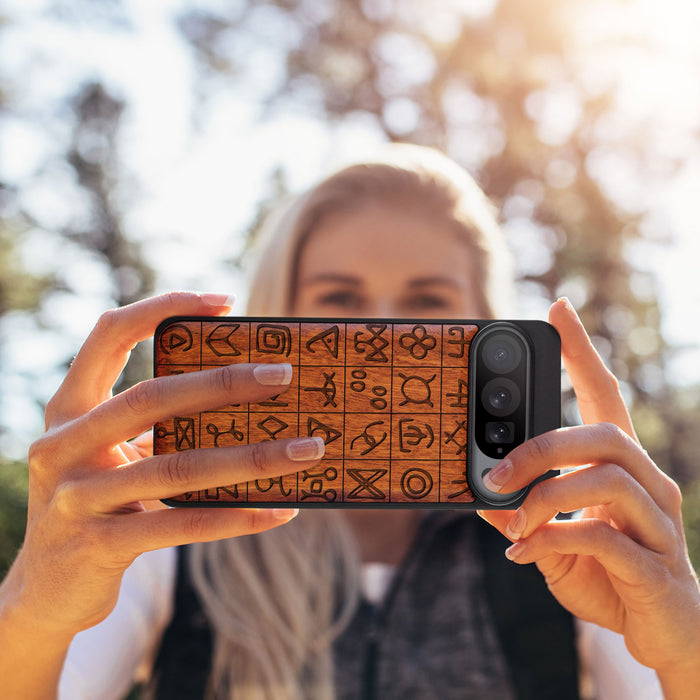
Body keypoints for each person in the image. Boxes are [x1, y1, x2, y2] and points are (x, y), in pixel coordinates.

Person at [0, 145, 698, 700]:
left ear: (486, 324)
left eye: (427, 302)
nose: (381, 330)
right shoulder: (170, 535)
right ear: (278, 317)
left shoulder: (568, 543)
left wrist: (685, 648)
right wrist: (34, 607)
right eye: (339, 298)